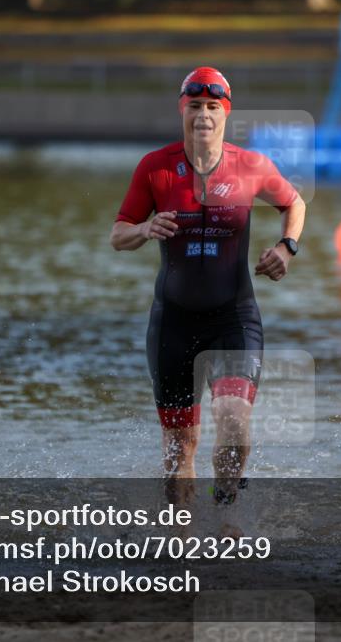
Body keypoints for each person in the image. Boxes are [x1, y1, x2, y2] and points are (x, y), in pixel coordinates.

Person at [110, 66, 306, 505]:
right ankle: (183, 545)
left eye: (212, 108)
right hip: (173, 324)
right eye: (194, 106)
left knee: (233, 416)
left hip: (232, 317)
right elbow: (117, 235)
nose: (203, 116)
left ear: (225, 114)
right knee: (180, 449)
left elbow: (294, 202)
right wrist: (145, 229)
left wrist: (287, 247)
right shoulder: (155, 168)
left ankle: (226, 507)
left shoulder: (250, 166)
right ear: (182, 111)